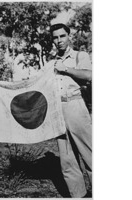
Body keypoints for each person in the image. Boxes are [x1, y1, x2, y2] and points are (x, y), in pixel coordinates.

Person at [49, 23, 92, 198]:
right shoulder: (52, 62)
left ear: (69, 36)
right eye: (55, 37)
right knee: (67, 161)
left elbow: (89, 75)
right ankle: (78, 195)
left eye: (62, 36)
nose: (59, 40)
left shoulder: (79, 56)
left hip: (75, 106)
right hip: (58, 111)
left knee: (90, 154)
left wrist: (65, 69)